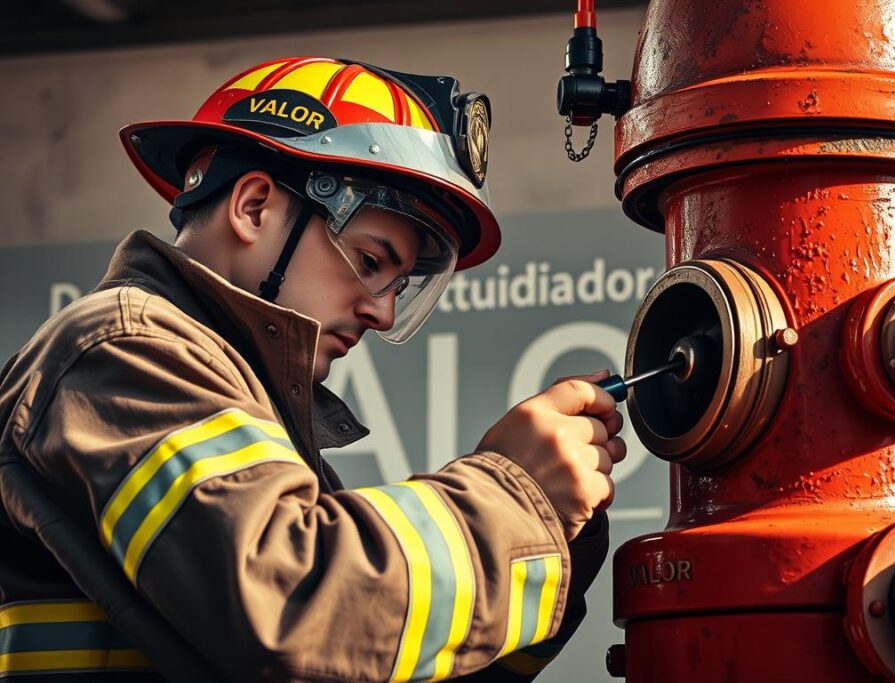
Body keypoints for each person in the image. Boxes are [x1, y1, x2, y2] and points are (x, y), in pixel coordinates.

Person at [0, 56, 626, 682]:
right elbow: (291, 609)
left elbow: (357, 658)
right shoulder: (124, 350)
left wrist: (553, 534)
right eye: (370, 259)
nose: (381, 312)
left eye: (400, 285)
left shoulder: (252, 413)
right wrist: (515, 496)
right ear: (252, 207)